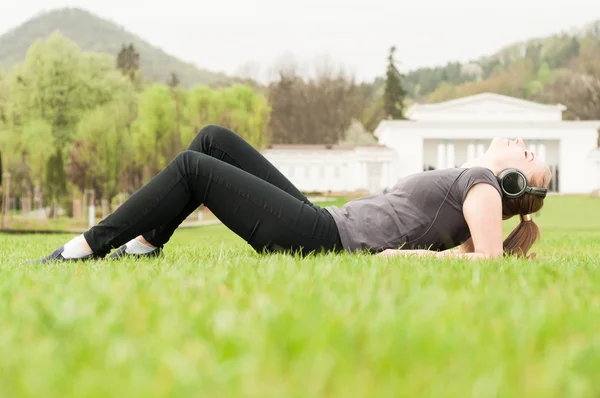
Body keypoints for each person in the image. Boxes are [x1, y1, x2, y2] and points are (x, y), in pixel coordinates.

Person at [34, 125, 551, 263]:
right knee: (213, 138)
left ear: (513, 184)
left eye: (528, 156)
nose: (521, 144)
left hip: (327, 238)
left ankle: (83, 248)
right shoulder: (476, 186)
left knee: (194, 167)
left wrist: (405, 257)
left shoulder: (482, 185)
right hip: (325, 219)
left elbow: (483, 259)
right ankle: (147, 244)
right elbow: (469, 247)